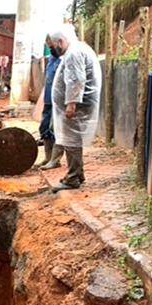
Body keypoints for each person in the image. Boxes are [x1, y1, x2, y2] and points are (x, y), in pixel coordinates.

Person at [49, 24, 102, 193]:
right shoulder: (79, 49)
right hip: (78, 103)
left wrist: (71, 104)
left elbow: (76, 80)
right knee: (73, 141)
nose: (54, 49)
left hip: (76, 105)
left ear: (60, 41)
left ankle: (72, 178)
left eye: (53, 45)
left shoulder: (74, 53)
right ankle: (78, 174)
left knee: (70, 141)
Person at [39, 35, 64, 169]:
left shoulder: (65, 59)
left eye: (52, 46)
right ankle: (48, 157)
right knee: (44, 128)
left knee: (56, 129)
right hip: (48, 99)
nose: (51, 49)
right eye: (49, 47)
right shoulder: (52, 59)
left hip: (59, 100)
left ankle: (55, 159)